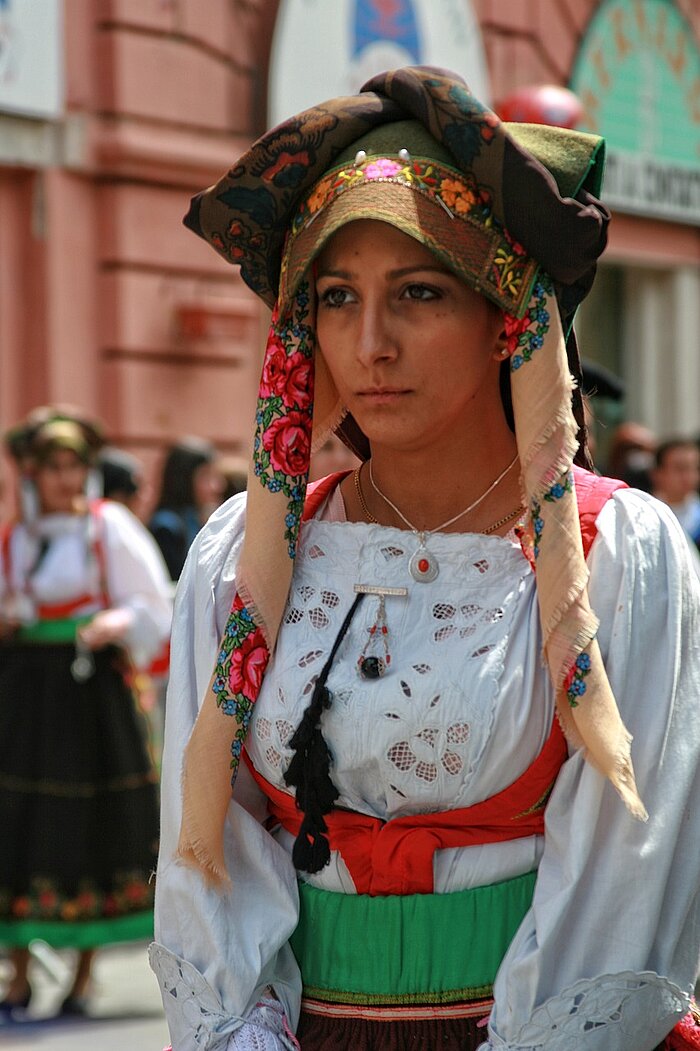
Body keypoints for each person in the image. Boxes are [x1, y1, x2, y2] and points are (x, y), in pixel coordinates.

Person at [149, 67, 700, 1051]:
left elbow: (631, 869)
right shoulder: (249, 549)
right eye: (335, 296)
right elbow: (211, 858)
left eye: (418, 292)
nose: (370, 343)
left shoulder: (613, 550)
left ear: (507, 318)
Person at [0, 409, 172, 1019]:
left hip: (91, 690)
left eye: (75, 466)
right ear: (33, 473)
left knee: (95, 815)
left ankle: (81, 976)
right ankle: (16, 978)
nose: (66, 479)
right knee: (17, 818)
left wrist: (114, 624)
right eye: (54, 468)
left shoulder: (109, 529)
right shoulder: (16, 536)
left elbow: (153, 601)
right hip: (27, 692)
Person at [149, 438, 224, 581]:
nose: (216, 486)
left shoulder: (197, 518)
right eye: (206, 476)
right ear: (183, 478)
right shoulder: (166, 526)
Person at [652, 438, 700, 548]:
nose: (688, 476)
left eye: (694, 468)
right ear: (657, 473)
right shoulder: (644, 517)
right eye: (680, 468)